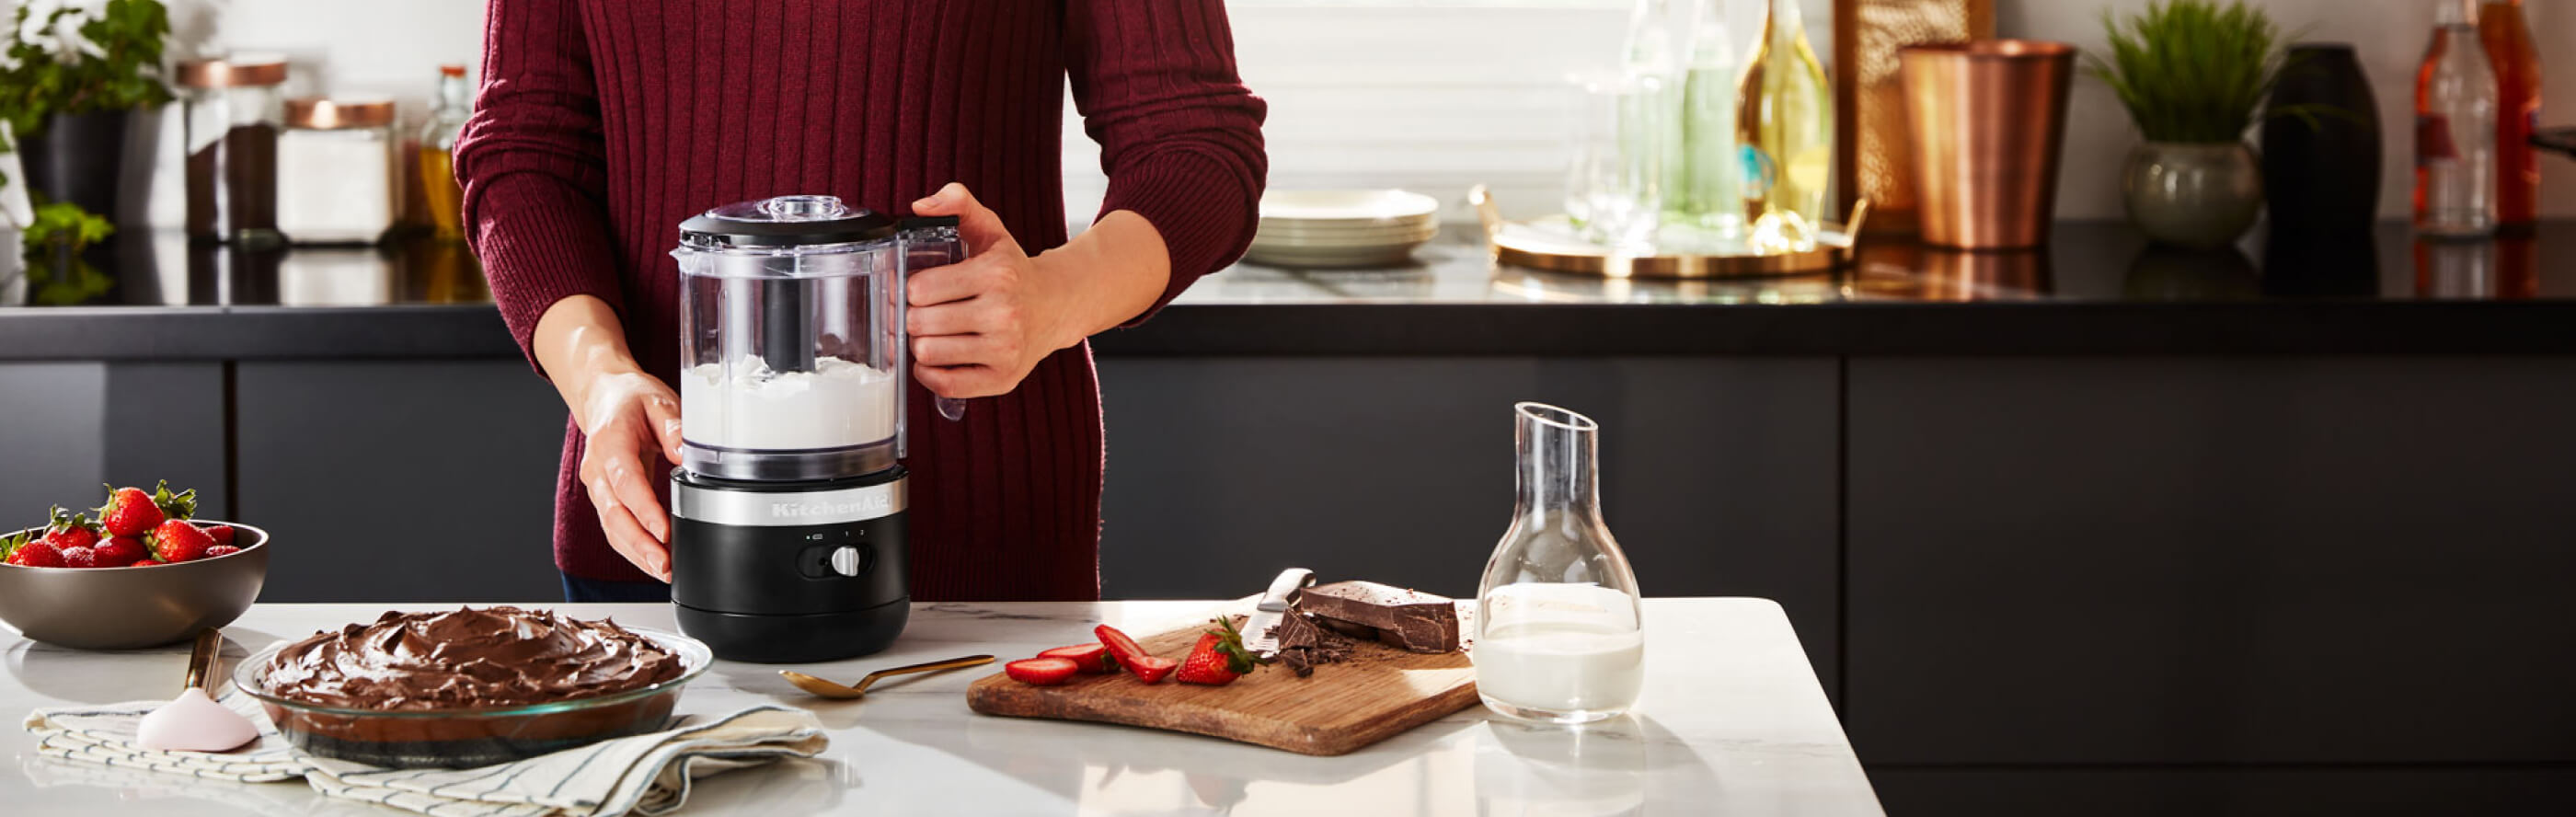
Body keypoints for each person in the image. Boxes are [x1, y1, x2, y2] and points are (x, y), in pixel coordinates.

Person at [456, 0, 1266, 603]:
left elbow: (1195, 146)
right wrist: (603, 385)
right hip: (659, 526)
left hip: (977, 540)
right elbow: (525, 157)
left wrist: (1052, 299)